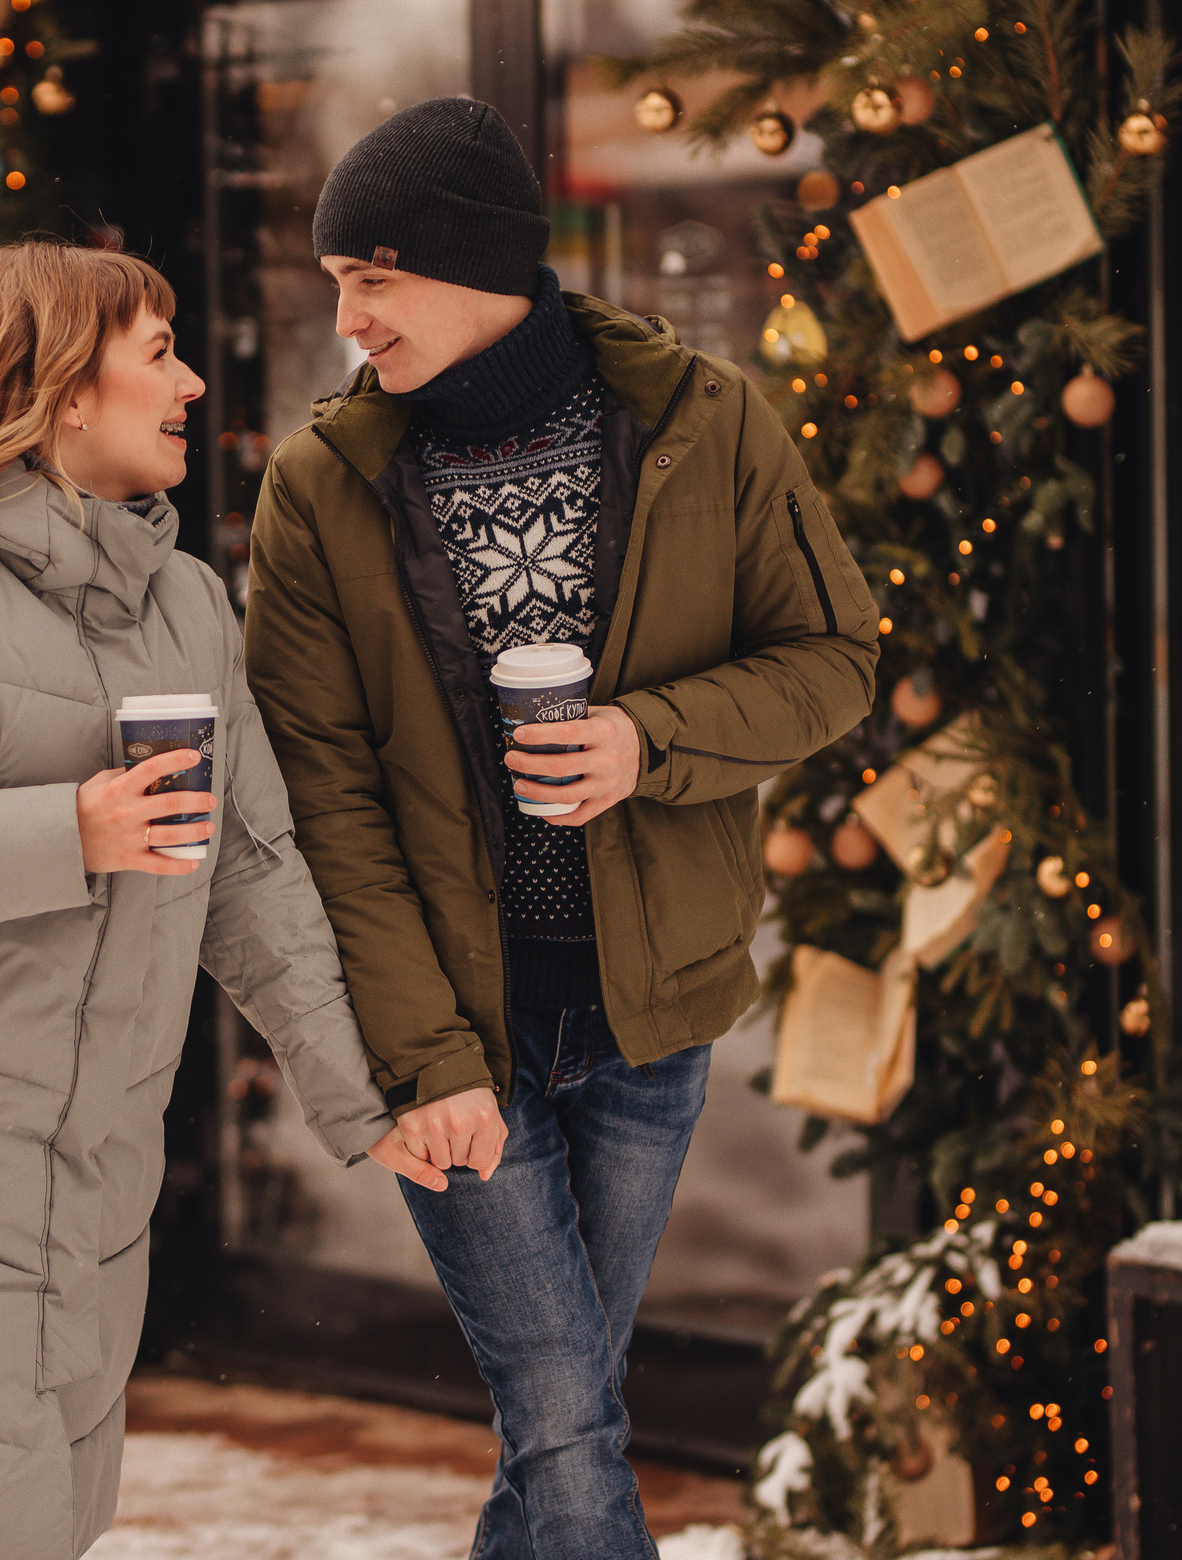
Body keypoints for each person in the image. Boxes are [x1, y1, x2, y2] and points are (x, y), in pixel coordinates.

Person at [243, 99, 881, 1559]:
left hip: (646, 1013)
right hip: (458, 1024)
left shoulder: (703, 425)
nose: (347, 322)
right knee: (565, 1423)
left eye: (370, 281)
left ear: (469, 266)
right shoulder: (321, 486)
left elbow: (834, 659)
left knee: (565, 1411)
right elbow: (324, 794)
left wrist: (648, 742)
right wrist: (420, 1057)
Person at [0, 239, 429, 1560]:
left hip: (95, 1178)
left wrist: (366, 1100)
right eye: (157, 352)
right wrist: (73, 827)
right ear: (65, 391)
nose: (189, 381)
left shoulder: (183, 606)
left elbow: (249, 873)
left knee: (42, 1530)